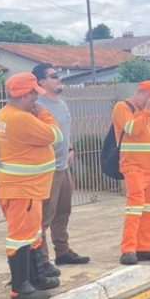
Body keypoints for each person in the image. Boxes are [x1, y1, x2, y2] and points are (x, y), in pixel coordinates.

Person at [0, 72, 62, 299]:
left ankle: (33, 278)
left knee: (31, 235)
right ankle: (20, 286)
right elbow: (55, 135)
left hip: (22, 189)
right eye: (34, 95)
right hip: (23, 190)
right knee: (21, 237)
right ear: (24, 94)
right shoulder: (20, 119)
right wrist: (44, 113)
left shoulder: (4, 114)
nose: (37, 100)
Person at [30, 64, 90, 267]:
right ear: (41, 82)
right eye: (54, 76)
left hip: (63, 167)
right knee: (44, 217)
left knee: (63, 211)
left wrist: (71, 148)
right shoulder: (37, 106)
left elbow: (66, 132)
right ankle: (42, 259)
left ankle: (62, 251)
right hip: (47, 169)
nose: (59, 79)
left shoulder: (62, 104)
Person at [112, 81, 150, 265]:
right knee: (134, 209)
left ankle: (144, 247)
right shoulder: (123, 107)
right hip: (134, 168)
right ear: (142, 93)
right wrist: (147, 111)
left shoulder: (148, 113)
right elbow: (132, 130)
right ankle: (128, 249)